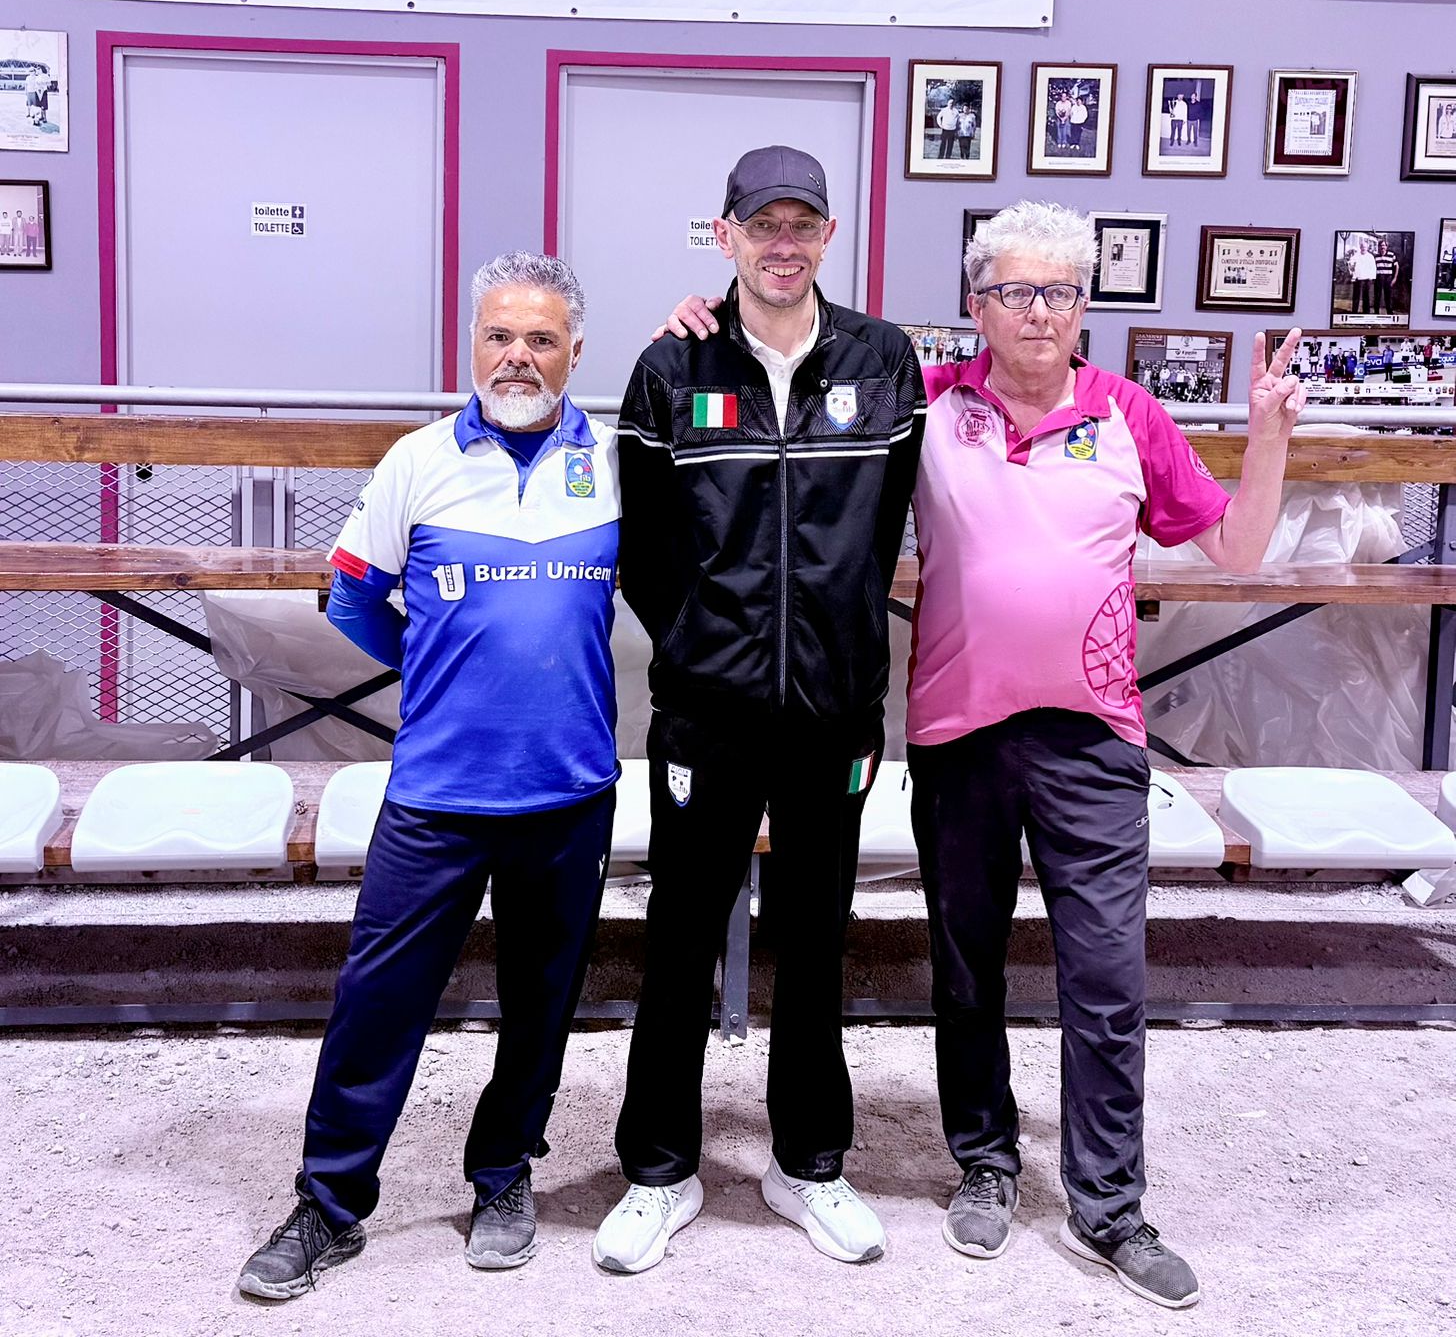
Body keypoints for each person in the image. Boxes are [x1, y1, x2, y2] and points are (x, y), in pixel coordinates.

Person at [909, 200, 1304, 1311]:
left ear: (1084, 304)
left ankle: (1110, 1205)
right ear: (976, 305)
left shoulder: (1127, 412)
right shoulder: (927, 404)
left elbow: (1234, 547)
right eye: (1015, 291)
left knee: (1106, 976)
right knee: (964, 963)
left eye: (1060, 291)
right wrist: (703, 326)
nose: (1038, 312)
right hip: (958, 733)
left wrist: (1268, 434)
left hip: (1092, 741)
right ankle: (985, 1160)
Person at [238, 252, 621, 1300]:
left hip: (570, 791)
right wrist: (442, 667)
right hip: (436, 794)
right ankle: (329, 1203)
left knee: (540, 1002)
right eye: (499, 335)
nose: (517, 355)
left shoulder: (614, 463)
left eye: (540, 338)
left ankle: (503, 1174)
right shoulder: (418, 460)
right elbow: (353, 598)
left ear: (575, 351)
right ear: (472, 344)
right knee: (379, 1000)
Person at [593, 145, 925, 1274]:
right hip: (707, 710)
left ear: (828, 235)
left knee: (818, 937)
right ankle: (659, 1170)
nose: (783, 244)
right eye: (761, 224)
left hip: (834, 712)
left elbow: (887, 523)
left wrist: (843, 641)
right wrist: (704, 644)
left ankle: (809, 1163)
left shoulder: (882, 358)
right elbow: (643, 545)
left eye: (802, 224)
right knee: (679, 936)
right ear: (724, 234)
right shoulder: (670, 365)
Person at [1374, 238, 1400, 319]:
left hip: (1388, 277)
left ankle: (1390, 313)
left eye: (1384, 245)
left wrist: (1395, 278)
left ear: (1386, 246)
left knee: (1388, 296)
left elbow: (1397, 267)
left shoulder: (1391, 255)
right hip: (1378, 277)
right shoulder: (1375, 256)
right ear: (1379, 247)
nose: (1382, 247)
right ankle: (1376, 313)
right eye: (1381, 245)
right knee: (1377, 296)